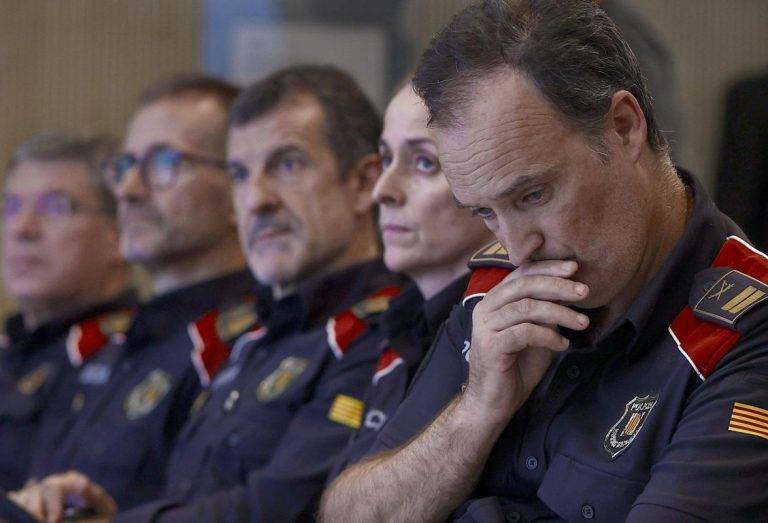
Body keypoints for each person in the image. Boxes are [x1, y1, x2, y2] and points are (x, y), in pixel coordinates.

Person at [321, 1, 768, 521]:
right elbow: (347, 512)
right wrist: (477, 412)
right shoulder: (497, 288)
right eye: (485, 212)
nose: (516, 248)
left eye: (533, 195)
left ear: (624, 126)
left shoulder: (743, 333)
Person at [14, 65, 404, 523]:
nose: (257, 200)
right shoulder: (252, 339)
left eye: (287, 164)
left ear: (363, 183)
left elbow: (280, 509)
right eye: (241, 173)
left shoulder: (383, 330)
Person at [16, 75, 259, 510]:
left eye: (164, 162)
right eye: (125, 166)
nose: (128, 191)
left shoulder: (246, 344)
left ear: (237, 188)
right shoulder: (116, 345)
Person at [325, 81, 495, 480]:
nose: (383, 190)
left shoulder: (506, 335)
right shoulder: (401, 320)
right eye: (386, 159)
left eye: (424, 163)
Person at [0, 133, 135, 491]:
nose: (22, 229)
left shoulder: (137, 354)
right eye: (11, 207)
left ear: (118, 233)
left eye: (55, 207)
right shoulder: (10, 352)